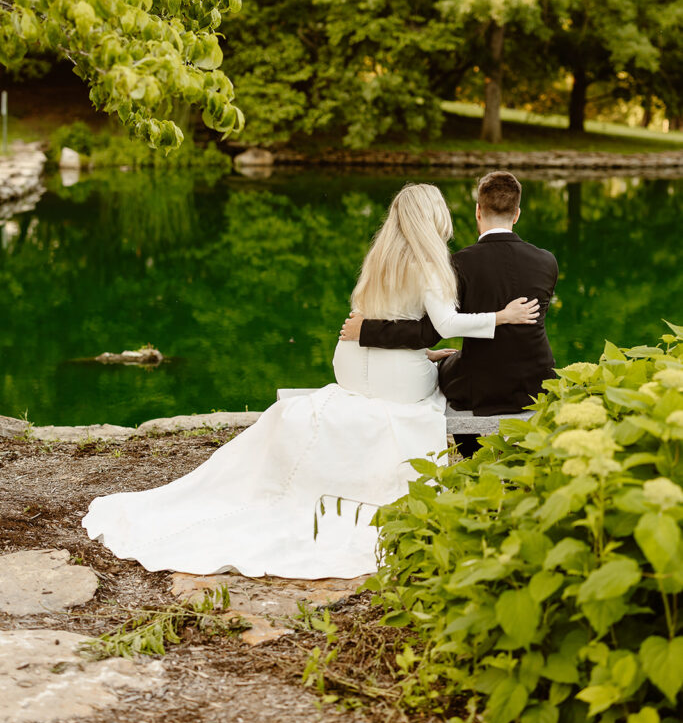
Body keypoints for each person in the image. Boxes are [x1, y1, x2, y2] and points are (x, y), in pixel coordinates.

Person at [82, 183, 538, 579]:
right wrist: (503, 315)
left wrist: (414, 345)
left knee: (425, 368)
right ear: (433, 218)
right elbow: (444, 322)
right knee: (435, 390)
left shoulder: (381, 257)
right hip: (396, 378)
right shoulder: (433, 263)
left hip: (350, 365)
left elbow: (384, 320)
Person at [341, 171, 558, 458]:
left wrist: (366, 330)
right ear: (517, 214)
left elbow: (433, 329)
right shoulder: (547, 261)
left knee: (448, 370)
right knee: (447, 363)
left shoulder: (458, 264)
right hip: (538, 380)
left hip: (479, 386)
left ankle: (471, 458)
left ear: (478, 211)